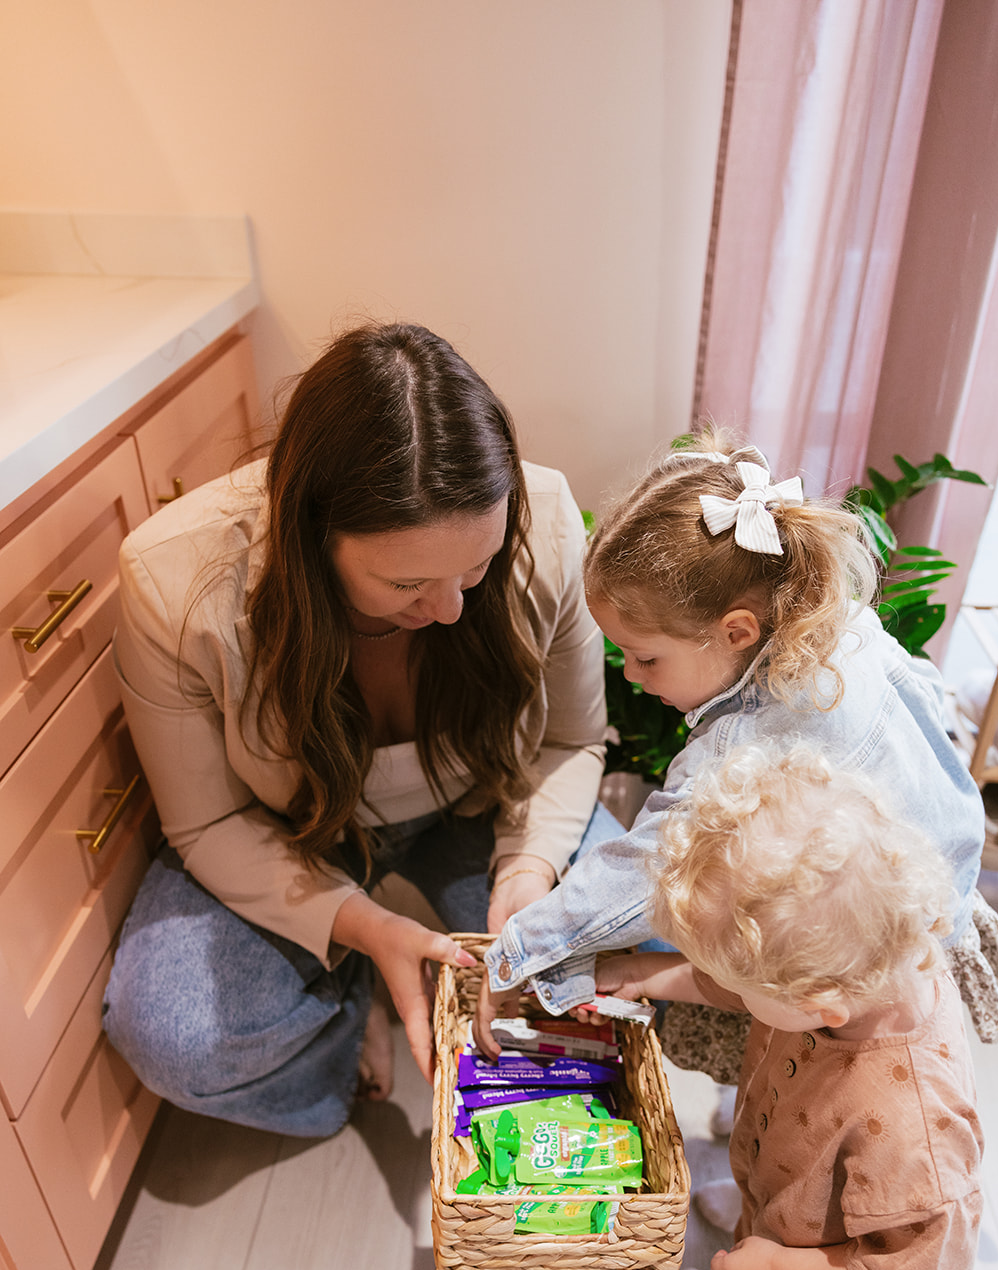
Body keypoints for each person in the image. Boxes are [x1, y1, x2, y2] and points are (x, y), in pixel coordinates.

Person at [102, 322, 614, 1137]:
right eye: (406, 581)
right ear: (310, 536)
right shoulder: (174, 577)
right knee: (176, 1040)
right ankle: (353, 1007)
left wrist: (527, 873)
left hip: (481, 807)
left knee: (641, 941)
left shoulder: (543, 517)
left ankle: (369, 963)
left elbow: (570, 740)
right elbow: (209, 820)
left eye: (474, 569)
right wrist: (363, 928)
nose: (448, 609)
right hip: (292, 833)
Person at [473, 426, 987, 1053]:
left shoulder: (749, 743)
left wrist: (520, 947)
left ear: (736, 631)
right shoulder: (845, 622)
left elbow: (651, 868)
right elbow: (929, 697)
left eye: (645, 659)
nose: (631, 679)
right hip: (932, 905)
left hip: (842, 966)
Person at [598, 743, 984, 1270]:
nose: (724, 992)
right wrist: (644, 974)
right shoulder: (856, 960)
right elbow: (742, 980)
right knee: (760, 1248)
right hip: (793, 1186)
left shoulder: (909, 1133)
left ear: (820, 1003)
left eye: (740, 987)